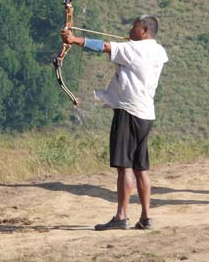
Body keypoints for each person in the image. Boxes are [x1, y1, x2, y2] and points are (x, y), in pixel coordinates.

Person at [61, 15, 168, 230]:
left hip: (128, 113)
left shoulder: (135, 50)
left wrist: (73, 40)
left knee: (124, 168)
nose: (130, 29)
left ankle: (121, 217)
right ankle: (146, 217)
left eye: (135, 27)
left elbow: (103, 46)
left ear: (145, 31)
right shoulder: (158, 50)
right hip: (146, 114)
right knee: (141, 168)